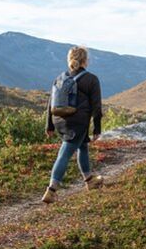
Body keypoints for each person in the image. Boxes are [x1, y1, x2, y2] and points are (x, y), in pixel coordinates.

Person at [42, 46, 103, 203]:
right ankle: (51, 190)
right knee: (65, 153)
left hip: (59, 120)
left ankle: (89, 180)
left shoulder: (60, 78)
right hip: (77, 123)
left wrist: (49, 126)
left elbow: (51, 104)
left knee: (82, 145)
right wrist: (97, 128)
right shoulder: (91, 79)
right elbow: (97, 106)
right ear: (85, 61)